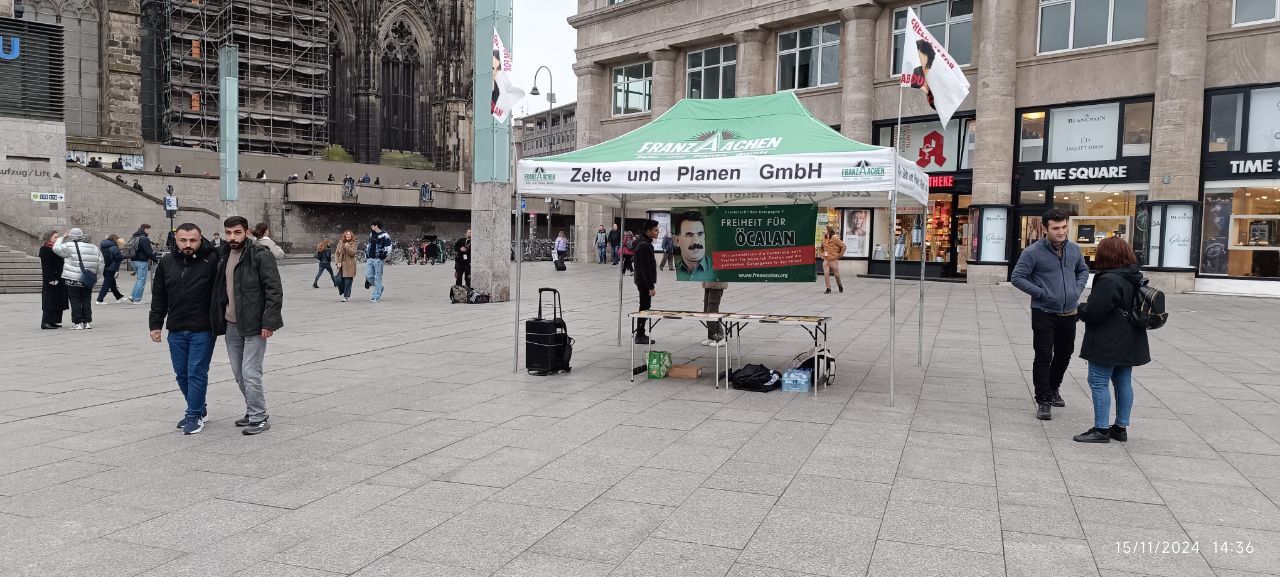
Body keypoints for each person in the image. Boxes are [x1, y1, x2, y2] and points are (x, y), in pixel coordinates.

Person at [1011, 208, 1089, 421]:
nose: (1061, 231)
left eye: (1064, 227)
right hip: (1044, 312)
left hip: (1069, 312)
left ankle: (1054, 388)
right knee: (1044, 356)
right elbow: (1017, 277)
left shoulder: (1074, 249)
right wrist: (1042, 293)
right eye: (1056, 228)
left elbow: (1083, 270)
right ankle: (1043, 400)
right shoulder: (1032, 252)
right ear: (1045, 229)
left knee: (1065, 354)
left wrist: (1077, 289)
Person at [1073, 236, 1150, 444]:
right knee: (1123, 382)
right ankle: (1120, 427)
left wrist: (1080, 309)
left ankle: (1101, 429)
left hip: (1109, 340)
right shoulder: (1133, 276)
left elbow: (1095, 312)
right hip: (1130, 338)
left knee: (1098, 382)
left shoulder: (1109, 280)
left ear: (1105, 255)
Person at [213, 216, 284, 435]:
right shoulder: (223, 254)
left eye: (237, 233)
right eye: (228, 233)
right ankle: (252, 409)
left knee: (250, 372)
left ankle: (259, 417)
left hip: (255, 323)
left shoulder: (260, 254)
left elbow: (274, 290)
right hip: (231, 324)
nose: (232, 237)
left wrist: (269, 322)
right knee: (238, 372)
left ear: (247, 232)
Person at [149, 223, 219, 435]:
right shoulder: (167, 262)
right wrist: (155, 323)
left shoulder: (213, 259)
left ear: (200, 239)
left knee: (196, 372)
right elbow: (159, 294)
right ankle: (199, 409)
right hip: (176, 327)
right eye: (183, 240)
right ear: (176, 240)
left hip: (203, 327)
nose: (188, 244)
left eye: (193, 240)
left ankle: (193, 414)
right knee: (181, 374)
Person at [53, 228, 104, 330]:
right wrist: (96, 277)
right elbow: (101, 263)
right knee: (86, 299)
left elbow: (56, 248)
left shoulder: (69, 246)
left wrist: (62, 237)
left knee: (75, 300)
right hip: (87, 279)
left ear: (71, 236)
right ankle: (87, 322)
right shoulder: (94, 247)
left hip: (73, 279)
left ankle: (78, 323)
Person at [632, 220, 660, 345]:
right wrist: (651, 287)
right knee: (644, 307)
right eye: (655, 230)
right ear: (648, 231)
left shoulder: (644, 242)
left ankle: (641, 333)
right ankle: (640, 334)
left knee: (644, 306)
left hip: (642, 280)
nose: (657, 232)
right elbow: (645, 268)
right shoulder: (644, 245)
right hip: (643, 281)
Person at [39, 230, 68, 329]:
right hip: (52, 278)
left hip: (60, 277)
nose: (56, 239)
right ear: (48, 238)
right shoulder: (45, 248)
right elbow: (46, 266)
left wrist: (63, 237)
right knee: (50, 300)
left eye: (57, 237)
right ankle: (46, 322)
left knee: (58, 299)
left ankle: (54, 321)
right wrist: (51, 278)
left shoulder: (57, 248)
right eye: (54, 237)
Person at [674, 211, 715, 281]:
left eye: (700, 234)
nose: (696, 241)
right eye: (689, 235)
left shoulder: (719, 268)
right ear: (677, 240)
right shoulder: (672, 271)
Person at [128, 223, 158, 303]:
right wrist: (156, 260)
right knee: (142, 280)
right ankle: (137, 299)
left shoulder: (134, 236)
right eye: (149, 230)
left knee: (139, 279)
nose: (149, 232)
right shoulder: (144, 238)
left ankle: (132, 296)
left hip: (133, 260)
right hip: (141, 261)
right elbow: (148, 252)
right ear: (146, 229)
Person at [366, 220, 392, 301]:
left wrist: (383, 255)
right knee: (368, 276)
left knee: (377, 278)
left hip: (378, 259)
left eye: (372, 225)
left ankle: (376, 296)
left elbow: (389, 247)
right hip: (370, 258)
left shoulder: (384, 235)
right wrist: (367, 253)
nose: (371, 227)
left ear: (376, 226)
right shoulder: (371, 234)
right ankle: (380, 287)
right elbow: (369, 245)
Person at [96, 234, 125, 303]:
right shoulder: (114, 247)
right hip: (111, 268)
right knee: (106, 284)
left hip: (105, 267)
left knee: (112, 284)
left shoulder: (102, 247)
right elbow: (119, 257)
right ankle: (99, 300)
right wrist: (120, 251)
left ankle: (119, 297)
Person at [820, 226, 846, 294]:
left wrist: (840, 255)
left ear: (828, 231)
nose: (823, 231)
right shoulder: (823, 239)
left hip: (833, 259)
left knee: (836, 275)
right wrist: (822, 254)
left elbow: (843, 246)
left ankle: (840, 285)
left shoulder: (835, 238)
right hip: (826, 260)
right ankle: (828, 288)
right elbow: (821, 248)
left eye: (825, 229)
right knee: (826, 274)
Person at [335, 229, 358, 301]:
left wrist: (347, 247)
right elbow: (337, 253)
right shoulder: (340, 242)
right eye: (347, 234)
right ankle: (343, 291)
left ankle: (346, 296)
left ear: (351, 236)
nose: (348, 235)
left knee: (348, 281)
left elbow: (352, 253)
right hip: (341, 265)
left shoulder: (353, 244)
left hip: (349, 265)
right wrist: (337, 262)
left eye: (349, 234)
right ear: (344, 235)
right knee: (338, 279)